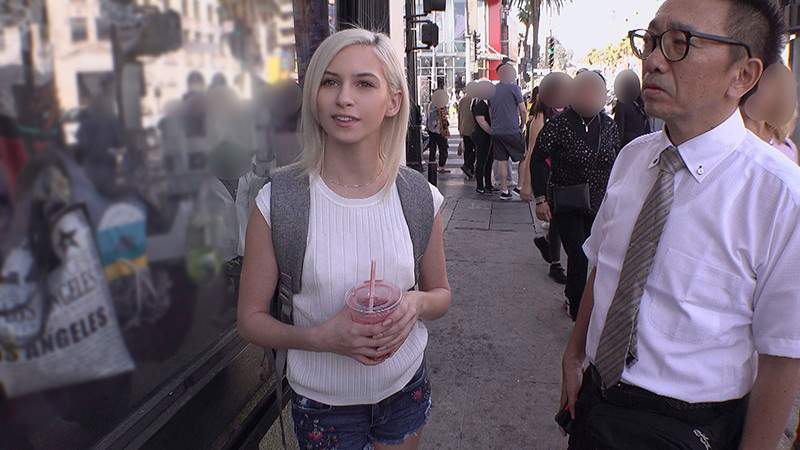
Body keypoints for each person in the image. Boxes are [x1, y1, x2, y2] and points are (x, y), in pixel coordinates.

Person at [559, 1, 800, 449]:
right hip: (596, 404)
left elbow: (783, 356)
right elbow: (605, 265)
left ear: (742, 75)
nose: (652, 60)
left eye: (679, 43)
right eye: (651, 40)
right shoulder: (633, 158)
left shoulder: (781, 197)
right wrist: (574, 357)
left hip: (691, 426)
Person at [237, 28, 451, 450]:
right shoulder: (279, 201)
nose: (343, 98)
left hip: (405, 388)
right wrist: (320, 338)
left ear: (393, 101)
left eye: (364, 84)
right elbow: (250, 320)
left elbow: (441, 294)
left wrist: (415, 304)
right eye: (330, 81)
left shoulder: (418, 196)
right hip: (323, 405)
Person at [532, 70, 619, 321]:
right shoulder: (558, 125)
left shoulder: (609, 126)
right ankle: (576, 306)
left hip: (599, 202)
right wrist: (540, 198)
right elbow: (537, 159)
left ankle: (582, 297)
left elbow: (618, 158)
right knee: (579, 255)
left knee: (594, 255)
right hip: (566, 201)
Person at [521, 96, 567, 284]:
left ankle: (547, 242)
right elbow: (532, 151)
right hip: (548, 174)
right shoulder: (542, 115)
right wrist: (526, 183)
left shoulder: (572, 111)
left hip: (566, 174)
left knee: (562, 218)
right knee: (556, 217)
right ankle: (556, 264)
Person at [490, 65, 527, 201]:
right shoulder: (514, 88)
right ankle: (519, 187)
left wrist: (494, 125)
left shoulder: (492, 90)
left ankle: (504, 190)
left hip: (497, 130)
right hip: (512, 129)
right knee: (523, 156)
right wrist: (523, 124)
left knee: (502, 160)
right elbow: (523, 109)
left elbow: (490, 111)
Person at [472, 81, 495, 195]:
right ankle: (480, 186)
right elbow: (481, 120)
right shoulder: (479, 102)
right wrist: (491, 131)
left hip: (486, 135)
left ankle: (488, 184)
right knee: (481, 160)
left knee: (489, 160)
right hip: (481, 135)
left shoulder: (485, 101)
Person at [426, 93, 451, 174]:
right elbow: (442, 117)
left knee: (432, 148)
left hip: (431, 129)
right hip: (439, 130)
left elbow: (428, 117)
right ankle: (441, 166)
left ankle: (432, 165)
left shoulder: (430, 104)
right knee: (443, 148)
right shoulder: (439, 104)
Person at [457, 83, 477, 178]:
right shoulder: (475, 99)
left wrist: (459, 127)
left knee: (468, 149)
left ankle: (468, 167)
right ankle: (468, 166)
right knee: (476, 149)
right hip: (474, 127)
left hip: (464, 127)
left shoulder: (462, 100)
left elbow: (459, 115)